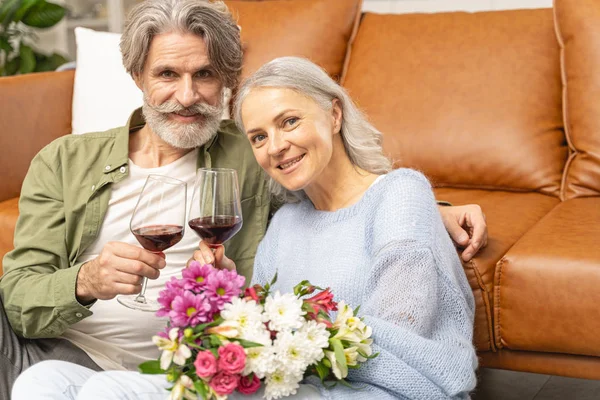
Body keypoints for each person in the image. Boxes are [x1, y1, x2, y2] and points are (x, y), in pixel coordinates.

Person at [5, 1, 485, 398]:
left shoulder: (249, 151)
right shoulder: (65, 161)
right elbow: (19, 297)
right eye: (167, 74)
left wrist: (430, 212)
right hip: (64, 347)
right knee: (38, 381)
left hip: (179, 363)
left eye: (206, 75)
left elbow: (340, 188)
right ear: (137, 77)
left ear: (227, 80)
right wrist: (85, 281)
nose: (187, 95)